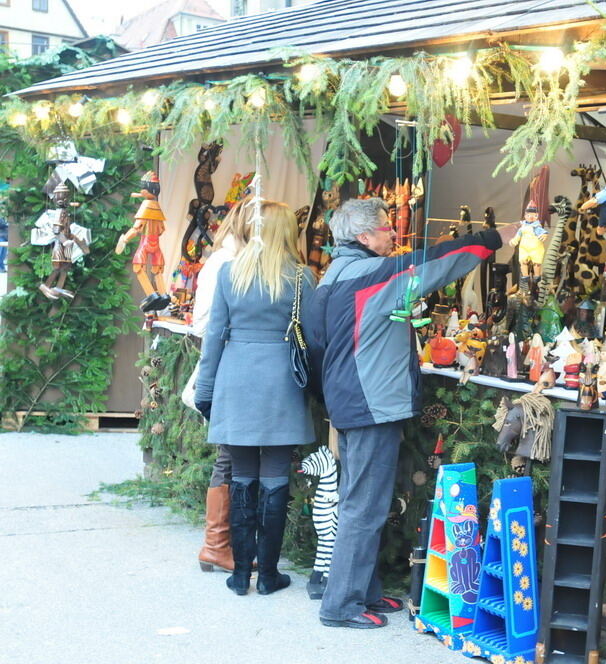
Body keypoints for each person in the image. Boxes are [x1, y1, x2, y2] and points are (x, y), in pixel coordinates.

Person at [304, 198, 517, 629]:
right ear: (363, 237)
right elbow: (436, 262)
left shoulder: (334, 275)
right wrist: (495, 238)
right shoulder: (374, 274)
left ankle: (360, 592)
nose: (393, 234)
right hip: (369, 405)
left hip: (352, 400)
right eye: (385, 228)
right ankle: (340, 606)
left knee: (361, 501)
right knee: (363, 506)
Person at [194, 200, 315, 596]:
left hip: (237, 381)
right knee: (277, 477)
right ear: (286, 232)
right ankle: (268, 576)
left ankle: (240, 573)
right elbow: (313, 340)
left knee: (240, 475)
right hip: (281, 383)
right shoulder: (302, 277)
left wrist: (206, 390)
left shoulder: (230, 274)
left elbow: (213, 336)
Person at [188, 199, 251, 574]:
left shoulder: (229, 259)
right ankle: (216, 544)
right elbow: (204, 322)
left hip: (234, 368)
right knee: (229, 456)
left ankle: (219, 543)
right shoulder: (225, 263)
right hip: (230, 369)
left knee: (231, 456)